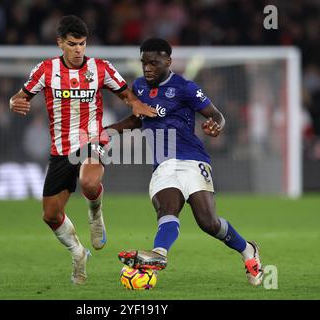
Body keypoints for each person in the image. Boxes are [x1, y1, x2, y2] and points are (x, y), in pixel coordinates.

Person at [9, 15, 157, 285]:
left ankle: (95, 213)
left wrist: (135, 104)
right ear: (60, 43)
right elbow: (21, 97)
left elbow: (126, 94)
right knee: (51, 215)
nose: (79, 50)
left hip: (92, 140)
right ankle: (78, 253)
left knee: (89, 182)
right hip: (61, 149)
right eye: (73, 44)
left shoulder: (101, 68)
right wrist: (13, 102)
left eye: (83, 44)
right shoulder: (45, 70)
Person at [105, 38, 263, 286]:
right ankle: (159, 254)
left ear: (168, 61)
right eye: (144, 63)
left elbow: (216, 115)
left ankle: (248, 250)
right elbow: (138, 119)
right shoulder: (139, 87)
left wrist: (215, 126)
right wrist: (109, 132)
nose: (147, 68)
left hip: (192, 158)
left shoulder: (185, 87)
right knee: (168, 207)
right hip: (163, 164)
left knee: (208, 222)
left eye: (153, 63)